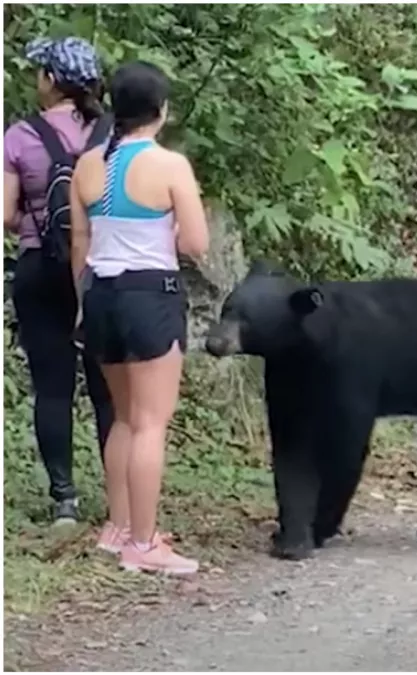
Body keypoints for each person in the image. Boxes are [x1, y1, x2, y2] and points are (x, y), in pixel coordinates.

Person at [70, 61, 210, 575]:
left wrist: (83, 300)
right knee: (152, 422)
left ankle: (121, 528)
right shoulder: (170, 166)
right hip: (150, 295)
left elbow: (80, 243)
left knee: (125, 418)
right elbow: (196, 243)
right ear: (162, 111)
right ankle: (145, 545)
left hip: (100, 296)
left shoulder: (87, 165)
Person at [3, 37, 115, 525]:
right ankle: (121, 499)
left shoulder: (19, 136)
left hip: (40, 269)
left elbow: (5, 215)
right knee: (107, 387)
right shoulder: (115, 134)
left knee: (52, 388)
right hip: (104, 269)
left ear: (50, 79)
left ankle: (64, 499)